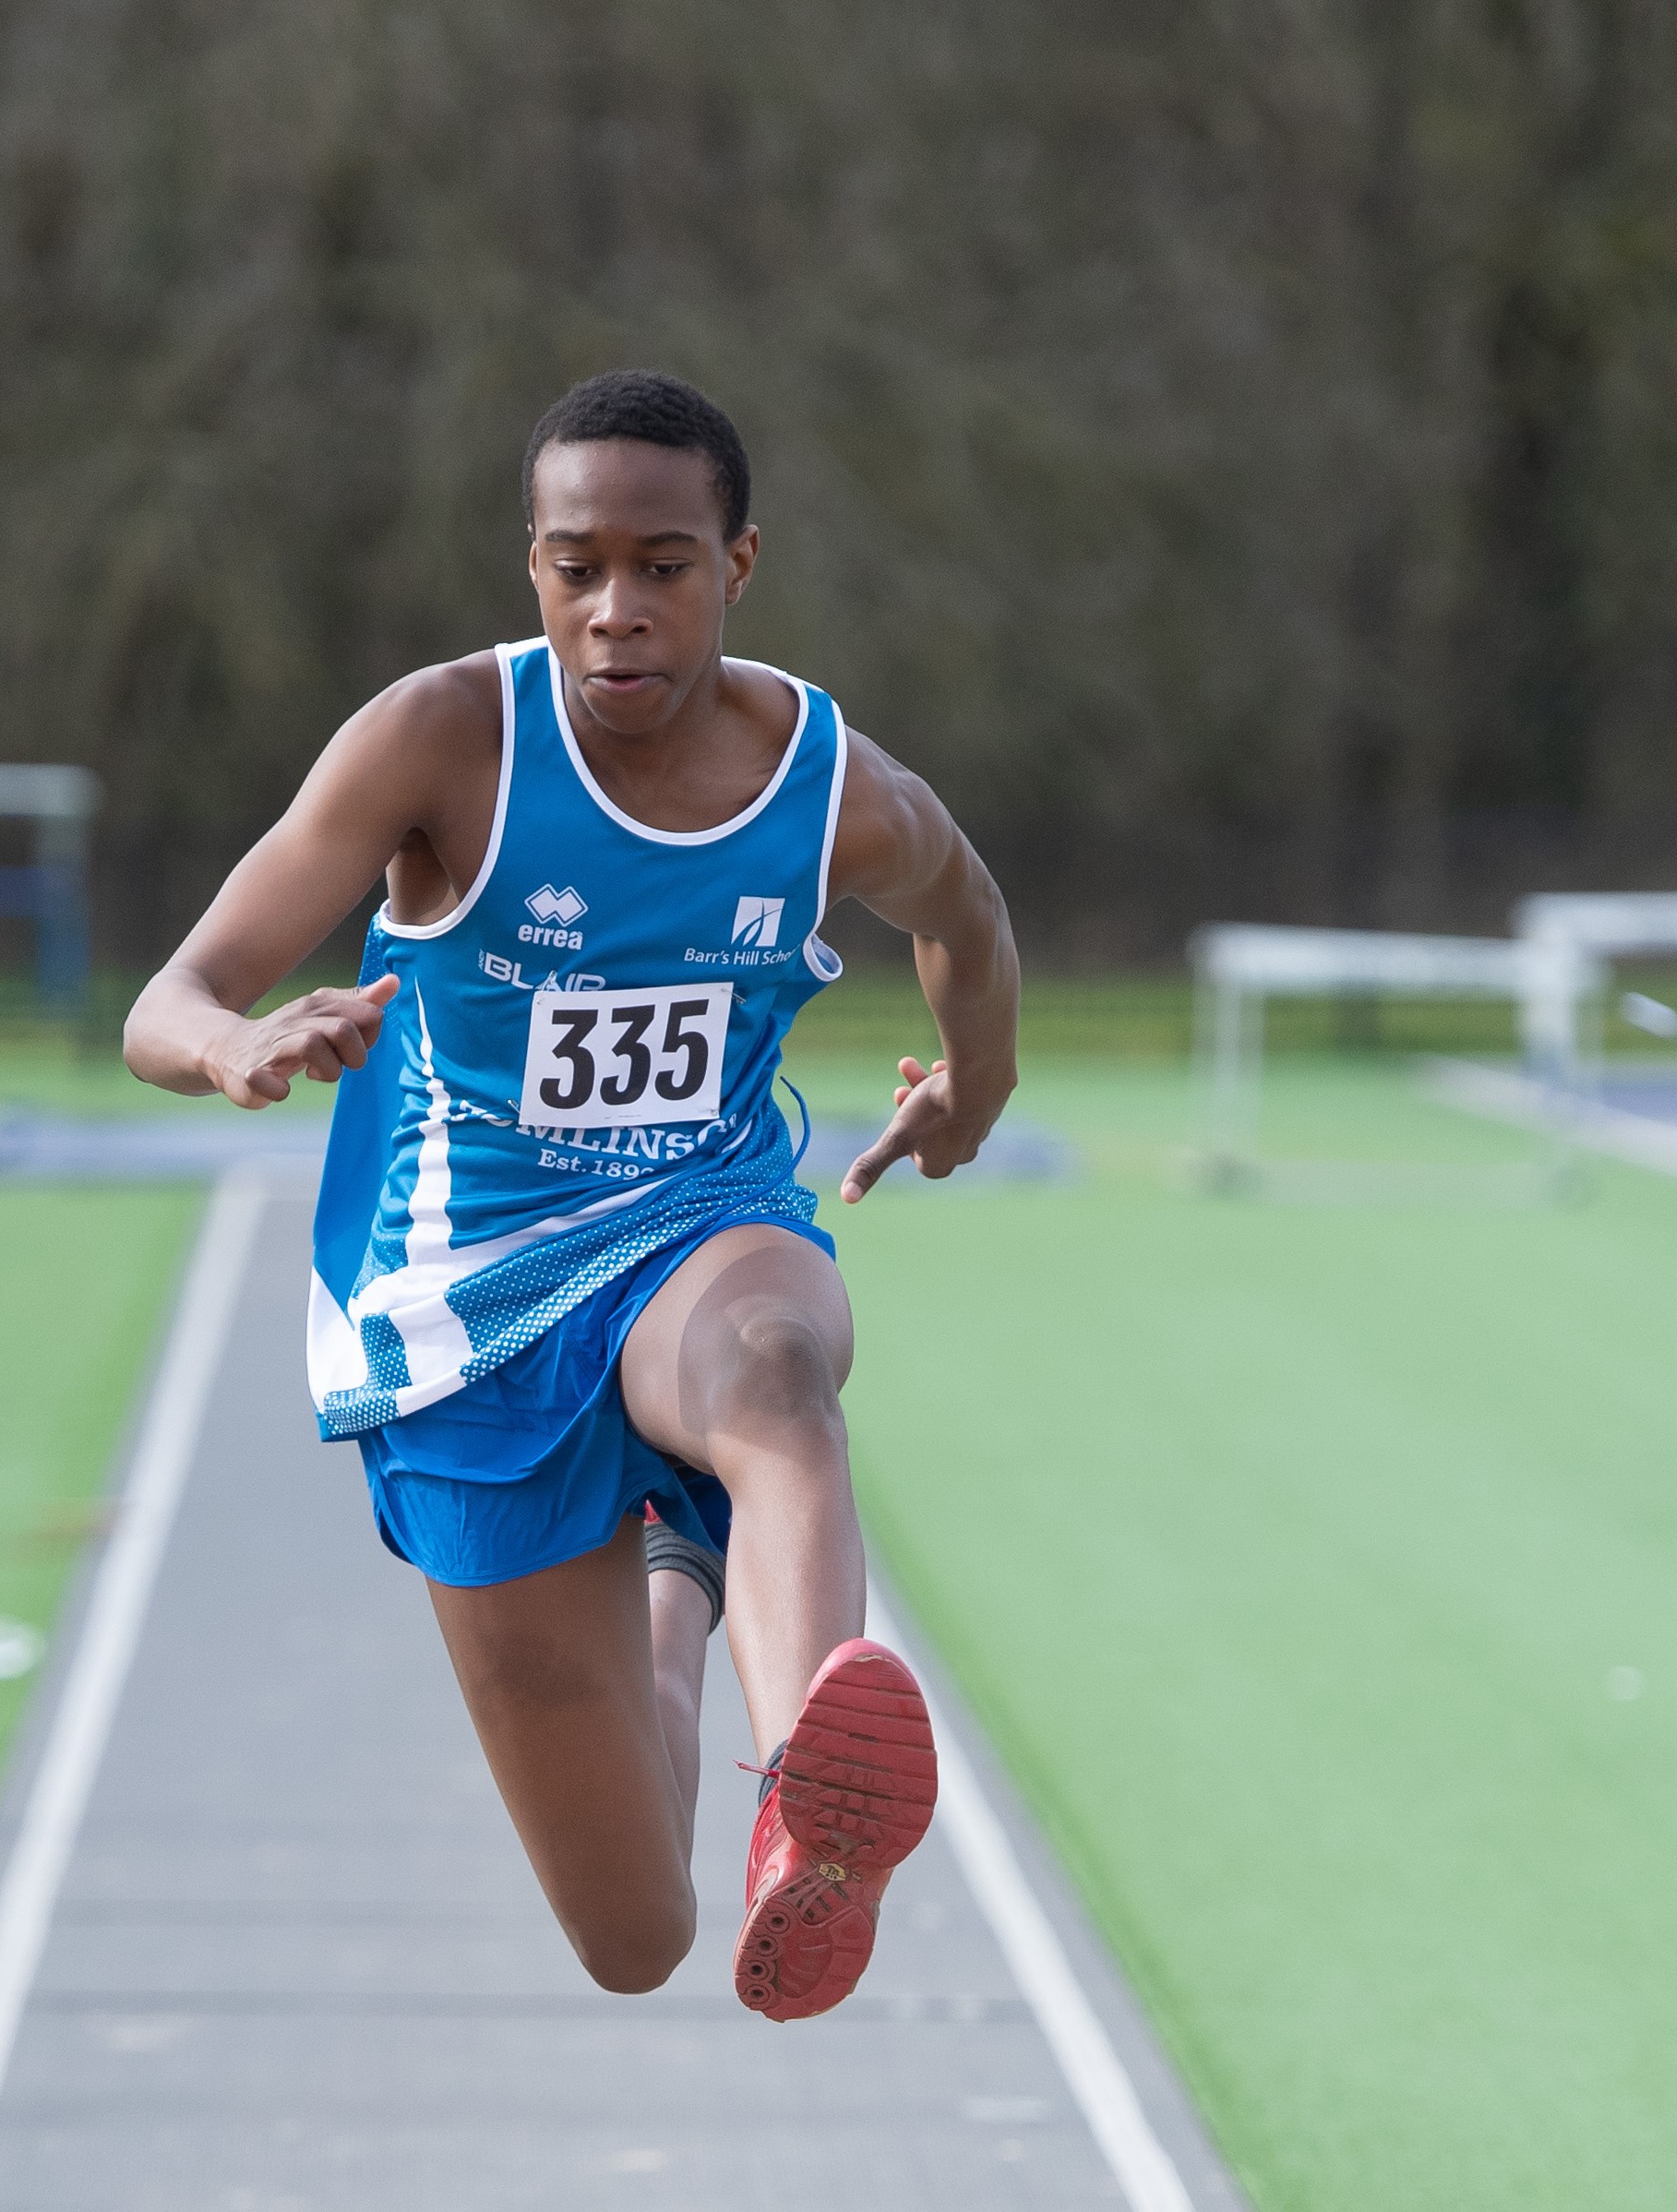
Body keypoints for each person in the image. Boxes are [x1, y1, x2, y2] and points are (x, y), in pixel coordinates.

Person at [124, 370, 1019, 2019]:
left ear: (739, 565)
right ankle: (681, 1590)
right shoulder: (443, 739)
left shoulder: (825, 784)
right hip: (459, 1305)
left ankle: (814, 1818)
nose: (616, 610)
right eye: (575, 565)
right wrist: (234, 1045)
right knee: (634, 1938)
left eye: (663, 565)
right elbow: (167, 994)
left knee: (775, 1370)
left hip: (699, 1219)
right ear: (531, 565)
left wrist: (975, 1088)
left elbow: (964, 910)